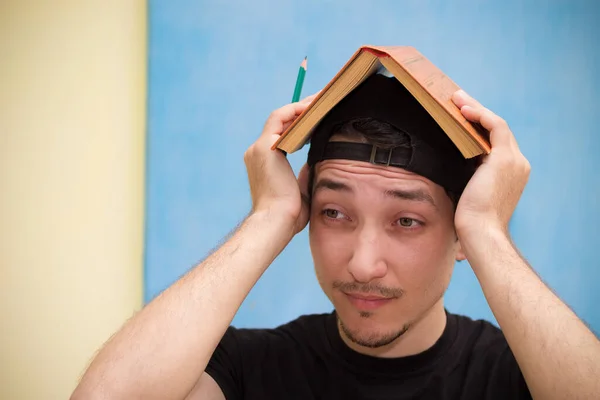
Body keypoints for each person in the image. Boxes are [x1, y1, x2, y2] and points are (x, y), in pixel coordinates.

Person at [71, 74, 600, 400]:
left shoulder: (523, 375)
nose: (362, 265)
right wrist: (269, 216)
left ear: (459, 233)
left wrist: (488, 229)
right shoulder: (251, 369)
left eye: (406, 221)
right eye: (334, 213)